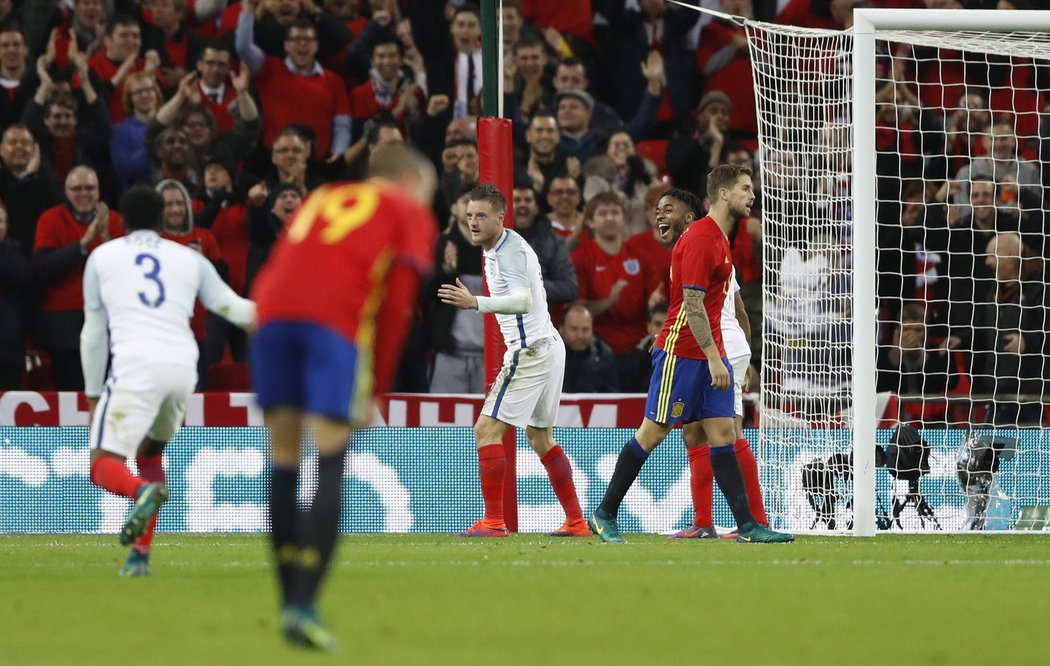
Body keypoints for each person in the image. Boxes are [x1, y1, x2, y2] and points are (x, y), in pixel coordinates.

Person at [249, 144, 438, 649]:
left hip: (269, 317)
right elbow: (399, 303)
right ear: (412, 182)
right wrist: (376, 385)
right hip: (332, 325)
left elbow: (289, 258)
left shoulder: (324, 195)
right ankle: (305, 603)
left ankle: (288, 596)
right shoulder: (405, 209)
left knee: (284, 461)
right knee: (331, 458)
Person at [587, 172, 793, 544]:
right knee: (653, 433)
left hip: (710, 351)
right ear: (723, 193)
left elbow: (724, 306)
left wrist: (727, 356)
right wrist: (716, 358)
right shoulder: (700, 238)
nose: (752, 195)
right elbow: (693, 304)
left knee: (723, 433)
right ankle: (604, 514)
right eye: (746, 189)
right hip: (683, 353)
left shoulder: (719, 239)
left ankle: (747, 525)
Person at [81, 186, 255, 577]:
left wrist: (94, 395)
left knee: (102, 464)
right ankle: (140, 557)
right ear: (163, 220)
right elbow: (234, 308)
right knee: (149, 456)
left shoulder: (102, 256)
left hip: (135, 368)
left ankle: (139, 493)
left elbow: (93, 333)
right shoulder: (188, 258)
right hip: (182, 369)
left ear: (121, 222)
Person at [437, 183, 589, 538]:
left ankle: (493, 522)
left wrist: (476, 302)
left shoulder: (508, 252)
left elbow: (521, 301)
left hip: (531, 350)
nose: (473, 222)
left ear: (500, 218)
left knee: (486, 430)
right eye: (470, 215)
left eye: (482, 216)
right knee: (540, 436)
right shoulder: (502, 247)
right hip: (548, 345)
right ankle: (576, 521)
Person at [671, 266, 768, 539]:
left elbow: (687, 311)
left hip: (713, 346)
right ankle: (704, 522)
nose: (661, 220)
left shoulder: (690, 253)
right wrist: (746, 357)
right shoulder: (723, 257)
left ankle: (755, 521)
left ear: (689, 219)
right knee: (694, 432)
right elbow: (741, 313)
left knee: (727, 432)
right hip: (731, 344)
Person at [561, 303, 619, 393]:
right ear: (562, 329)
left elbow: (612, 396)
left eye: (585, 329)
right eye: (574, 329)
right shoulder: (549, 355)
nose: (580, 335)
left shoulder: (604, 355)